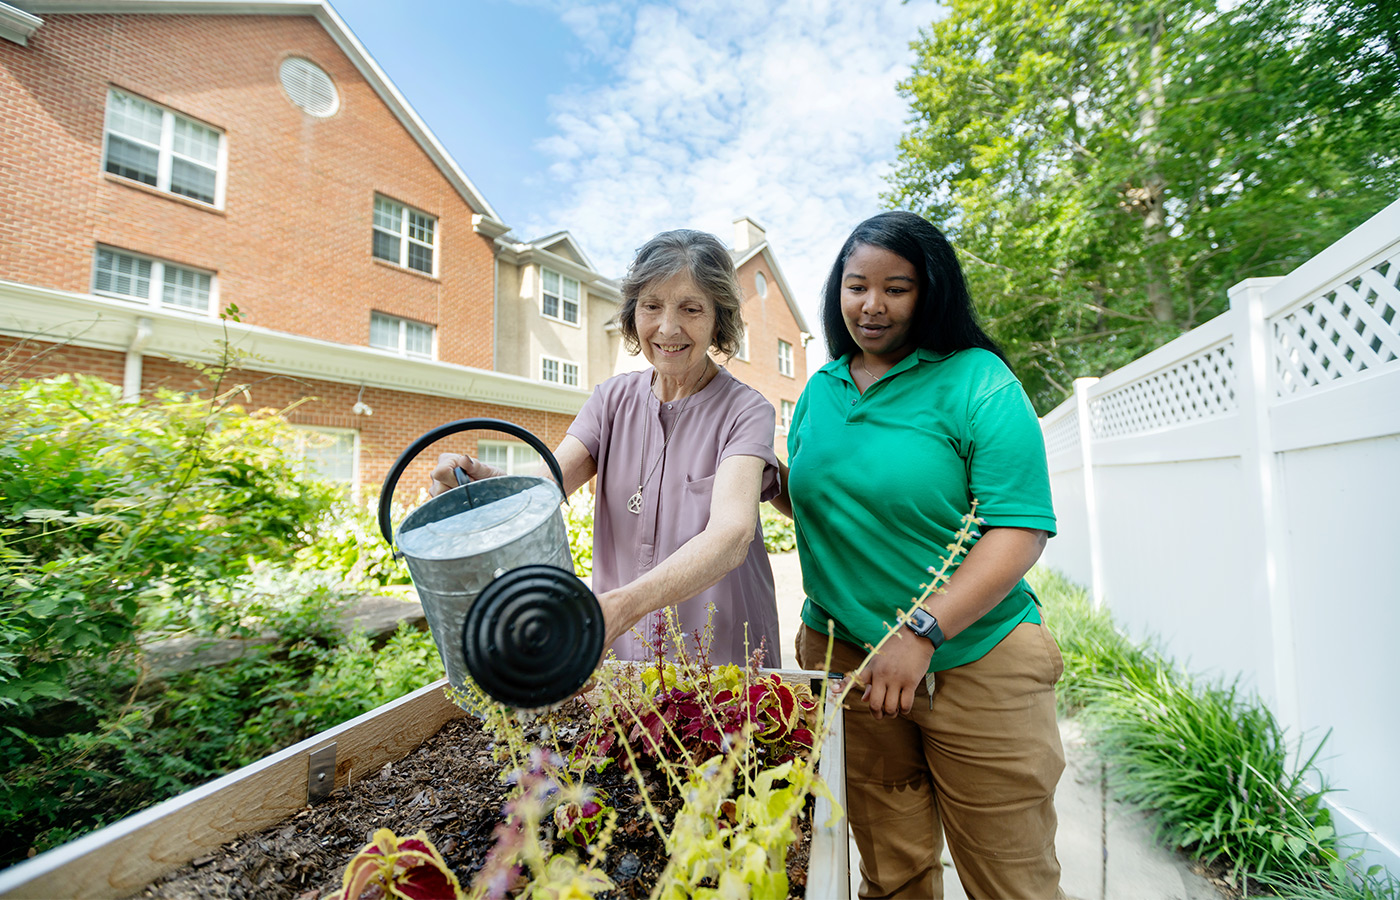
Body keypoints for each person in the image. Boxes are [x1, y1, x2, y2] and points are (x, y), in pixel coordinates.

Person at [776, 211, 1065, 899]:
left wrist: (923, 630)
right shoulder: (822, 388)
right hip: (850, 664)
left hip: (976, 662)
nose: (871, 305)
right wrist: (777, 489)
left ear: (928, 291)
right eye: (856, 286)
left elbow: (1019, 528)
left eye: (895, 288)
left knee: (1011, 880)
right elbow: (841, 502)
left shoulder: (976, 380)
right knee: (892, 872)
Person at [430, 229, 781, 667]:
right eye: (652, 306)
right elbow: (544, 488)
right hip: (622, 651)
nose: (668, 328)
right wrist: (481, 482)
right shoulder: (611, 400)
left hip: (723, 657)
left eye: (691, 309)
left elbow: (731, 535)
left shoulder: (746, 410)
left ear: (718, 319)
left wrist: (619, 607)